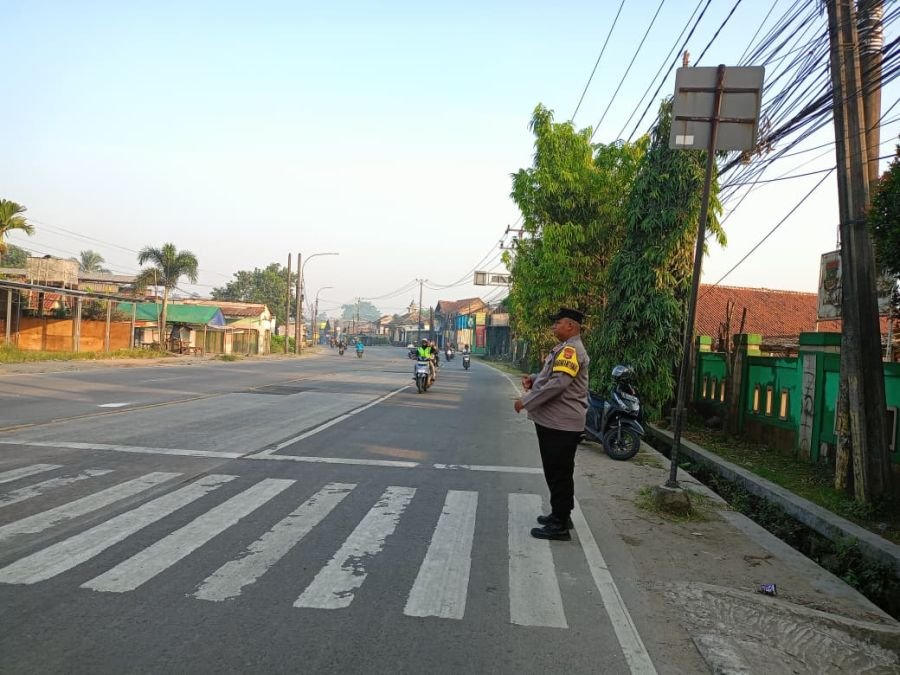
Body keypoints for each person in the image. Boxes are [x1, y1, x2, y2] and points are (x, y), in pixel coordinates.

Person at [514, 308, 590, 541]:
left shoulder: (571, 350)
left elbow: (558, 385)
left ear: (571, 326)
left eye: (557, 323)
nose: (553, 327)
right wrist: (535, 379)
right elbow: (553, 376)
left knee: (558, 473)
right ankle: (561, 515)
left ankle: (559, 524)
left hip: (561, 423)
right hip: (556, 422)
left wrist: (526, 401)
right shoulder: (565, 349)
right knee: (557, 471)